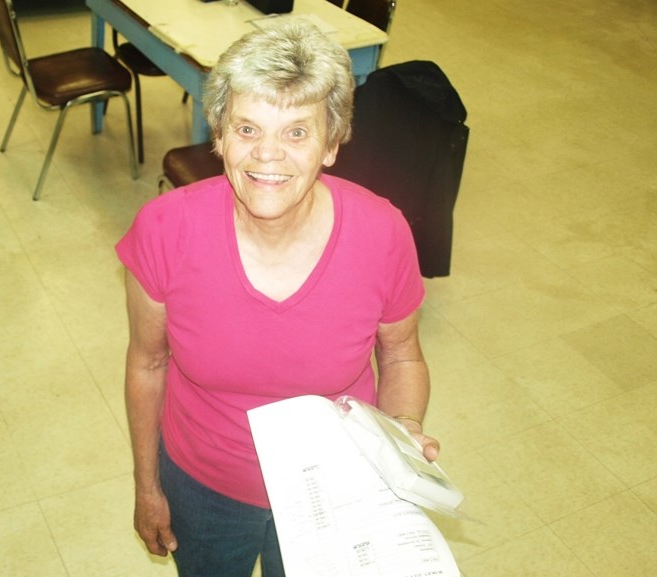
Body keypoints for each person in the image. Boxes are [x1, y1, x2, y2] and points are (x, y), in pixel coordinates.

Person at [116, 20, 440, 577]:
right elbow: (147, 363)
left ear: (332, 144)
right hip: (203, 489)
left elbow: (402, 354)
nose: (267, 155)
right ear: (217, 136)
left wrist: (403, 425)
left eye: (296, 132)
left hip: (336, 482)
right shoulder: (165, 229)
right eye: (247, 128)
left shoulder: (382, 232)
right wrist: (147, 486)